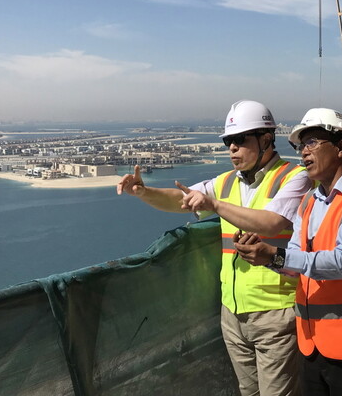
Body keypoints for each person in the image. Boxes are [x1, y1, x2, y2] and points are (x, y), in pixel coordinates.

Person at [117, 100, 312, 396]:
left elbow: (272, 223)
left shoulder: (294, 177)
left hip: (275, 310)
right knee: (250, 392)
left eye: (239, 139)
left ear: (266, 139)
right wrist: (144, 192)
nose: (232, 148)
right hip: (232, 312)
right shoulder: (224, 183)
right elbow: (180, 200)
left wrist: (215, 205)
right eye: (227, 141)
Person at [234, 108, 342, 396]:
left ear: (341, 147)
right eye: (300, 146)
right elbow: (296, 258)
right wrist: (266, 256)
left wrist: (276, 255)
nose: (304, 153)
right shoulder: (310, 201)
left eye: (312, 143)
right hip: (313, 342)